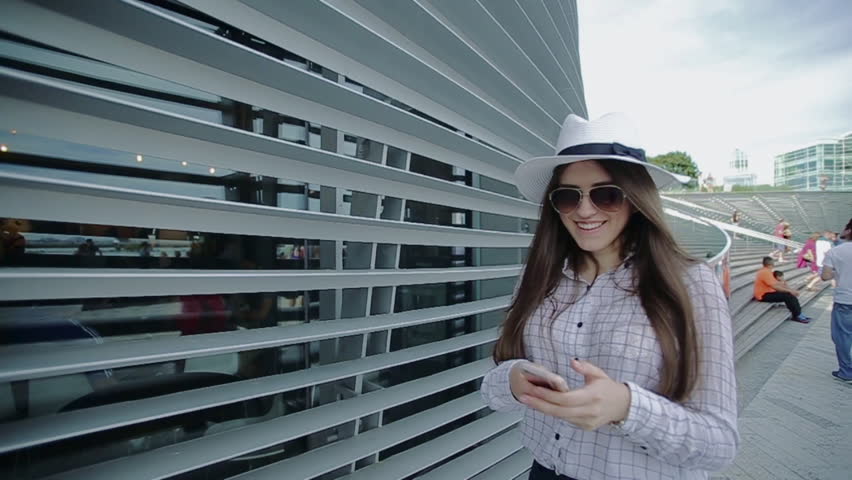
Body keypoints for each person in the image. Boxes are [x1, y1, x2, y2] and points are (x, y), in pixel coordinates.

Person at [481, 113, 738, 480]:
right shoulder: (539, 276)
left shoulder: (691, 283)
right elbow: (493, 385)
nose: (585, 210)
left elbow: (720, 442)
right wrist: (513, 378)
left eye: (606, 194)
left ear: (635, 200)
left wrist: (627, 407)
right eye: (569, 197)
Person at [821, 218, 852, 382]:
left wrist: (838, 272)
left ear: (848, 231)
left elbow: (825, 276)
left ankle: (847, 371)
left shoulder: (835, 251)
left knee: (842, 336)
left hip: (845, 301)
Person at [753, 256, 811, 323]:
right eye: (773, 263)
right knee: (787, 296)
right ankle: (797, 316)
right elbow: (775, 287)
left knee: (789, 295)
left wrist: (790, 289)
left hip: (768, 292)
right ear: (770, 264)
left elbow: (777, 284)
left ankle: (799, 314)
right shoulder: (765, 272)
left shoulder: (767, 271)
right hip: (763, 295)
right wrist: (790, 291)